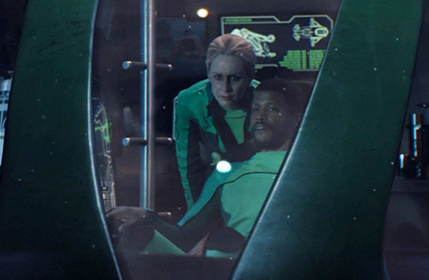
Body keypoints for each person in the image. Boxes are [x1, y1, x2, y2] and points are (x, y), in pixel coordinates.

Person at [111, 78, 303, 259]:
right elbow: (186, 236)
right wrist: (146, 217)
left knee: (224, 240)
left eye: (272, 109)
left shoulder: (308, 169)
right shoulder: (230, 173)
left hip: (291, 265)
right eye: (256, 109)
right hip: (231, 270)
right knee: (137, 235)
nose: (260, 117)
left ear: (296, 118)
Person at [173, 34, 258, 208]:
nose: (225, 88)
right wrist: (196, 214)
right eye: (218, 77)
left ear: (249, 77)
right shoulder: (189, 101)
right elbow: (188, 166)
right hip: (215, 185)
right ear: (209, 74)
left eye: (235, 78)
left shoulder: (266, 99)